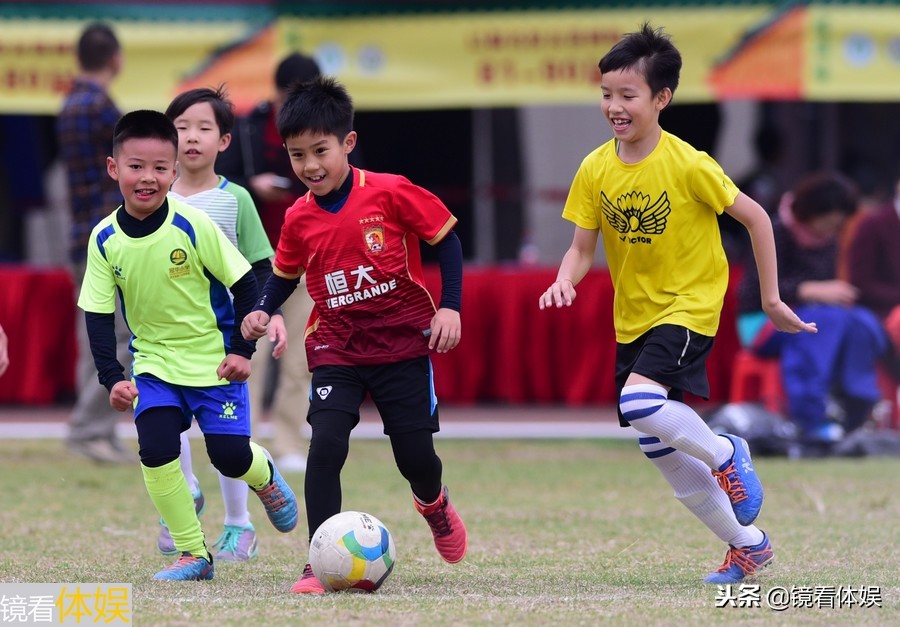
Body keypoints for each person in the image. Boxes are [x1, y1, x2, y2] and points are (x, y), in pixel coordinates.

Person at [538, 23, 816, 585]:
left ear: (661, 99)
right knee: (657, 445)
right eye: (606, 94)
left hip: (689, 306)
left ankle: (725, 451)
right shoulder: (595, 167)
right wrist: (564, 279)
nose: (614, 107)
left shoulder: (689, 163)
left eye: (627, 95)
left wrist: (771, 298)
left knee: (642, 405)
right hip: (634, 316)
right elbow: (580, 248)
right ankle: (748, 546)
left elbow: (757, 218)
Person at [241, 76, 468, 595]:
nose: (310, 166)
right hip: (335, 347)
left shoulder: (389, 192)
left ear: (347, 143)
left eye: (320, 151)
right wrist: (259, 310)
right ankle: (317, 561)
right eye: (297, 156)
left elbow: (447, 239)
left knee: (415, 458)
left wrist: (450, 306)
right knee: (325, 448)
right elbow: (283, 275)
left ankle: (434, 504)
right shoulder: (298, 217)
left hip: (403, 344)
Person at [78, 109, 298, 581]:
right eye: (135, 166)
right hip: (154, 363)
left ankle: (264, 477)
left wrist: (242, 350)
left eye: (160, 168)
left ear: (174, 172)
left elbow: (245, 285)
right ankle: (194, 553)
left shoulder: (194, 224)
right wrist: (113, 378)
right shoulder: (104, 239)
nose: (148, 178)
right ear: (114, 168)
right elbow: (97, 315)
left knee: (229, 457)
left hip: (214, 362)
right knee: (155, 448)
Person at [153, 86, 289, 562]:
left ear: (224, 141)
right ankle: (186, 493)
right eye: (181, 128)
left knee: (222, 436)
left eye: (203, 128)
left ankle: (239, 524)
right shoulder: (154, 198)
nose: (191, 138)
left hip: (226, 337)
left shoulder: (237, 200)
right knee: (167, 421)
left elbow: (262, 267)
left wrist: (267, 316)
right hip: (165, 337)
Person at [217, 52, 321, 473]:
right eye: (287, 99)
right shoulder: (250, 124)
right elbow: (221, 181)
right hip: (256, 258)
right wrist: (254, 186)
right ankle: (244, 440)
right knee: (252, 351)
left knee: (300, 356)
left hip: (309, 257)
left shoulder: (327, 127)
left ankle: (289, 439)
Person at [738, 171, 889, 455]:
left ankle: (857, 406)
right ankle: (811, 417)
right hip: (763, 322)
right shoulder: (773, 230)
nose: (830, 230)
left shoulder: (829, 242)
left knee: (862, 321)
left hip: (817, 322)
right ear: (811, 211)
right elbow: (752, 290)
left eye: (837, 224)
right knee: (825, 321)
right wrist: (810, 290)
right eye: (827, 221)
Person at [57, 22, 133, 464]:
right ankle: (87, 428)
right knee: (122, 337)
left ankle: (98, 431)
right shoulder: (102, 107)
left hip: (77, 236)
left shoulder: (68, 103)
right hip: (106, 239)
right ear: (115, 59)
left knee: (94, 337)